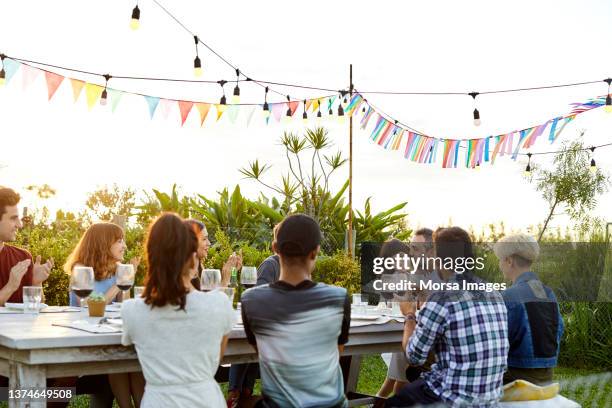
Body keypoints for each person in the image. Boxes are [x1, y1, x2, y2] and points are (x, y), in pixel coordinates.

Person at [121, 213, 235, 407]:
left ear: (152, 259)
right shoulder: (220, 304)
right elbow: (215, 358)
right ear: (193, 258)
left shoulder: (132, 311)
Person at [387, 227, 509, 407]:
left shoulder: (442, 297)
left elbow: (414, 356)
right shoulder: (493, 292)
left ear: (438, 258)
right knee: (416, 379)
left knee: (395, 402)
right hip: (490, 397)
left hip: (453, 398)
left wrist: (410, 315)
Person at [241, 214, 351, 408]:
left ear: (275, 248)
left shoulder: (252, 301)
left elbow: (264, 350)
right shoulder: (338, 298)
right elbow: (335, 352)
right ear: (315, 251)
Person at [65, 222, 144, 408]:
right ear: (102, 243)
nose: (124, 246)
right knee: (118, 357)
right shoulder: (81, 269)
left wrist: (124, 281)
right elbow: (90, 306)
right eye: (119, 241)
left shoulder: (117, 269)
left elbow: (123, 308)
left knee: (133, 357)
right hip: (84, 339)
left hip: (109, 334)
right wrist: (119, 283)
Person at [494, 234, 563, 385]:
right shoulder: (548, 292)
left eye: (500, 260)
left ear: (509, 261)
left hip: (516, 377)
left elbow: (497, 342)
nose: (500, 264)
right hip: (547, 375)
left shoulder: (508, 296)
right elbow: (558, 329)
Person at [227, 223, 282, 407]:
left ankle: (243, 393)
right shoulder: (271, 265)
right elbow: (259, 298)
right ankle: (236, 392)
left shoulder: (294, 266)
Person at [0, 187, 53, 305]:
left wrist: (36, 283)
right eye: (13, 218)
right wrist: (10, 286)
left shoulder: (23, 257)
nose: (19, 224)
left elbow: (36, 307)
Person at [184, 219, 242, 291]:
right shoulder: (184, 275)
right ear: (191, 242)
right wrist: (225, 280)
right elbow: (211, 301)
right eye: (204, 239)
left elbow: (212, 294)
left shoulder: (200, 269)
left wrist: (233, 272)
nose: (209, 243)